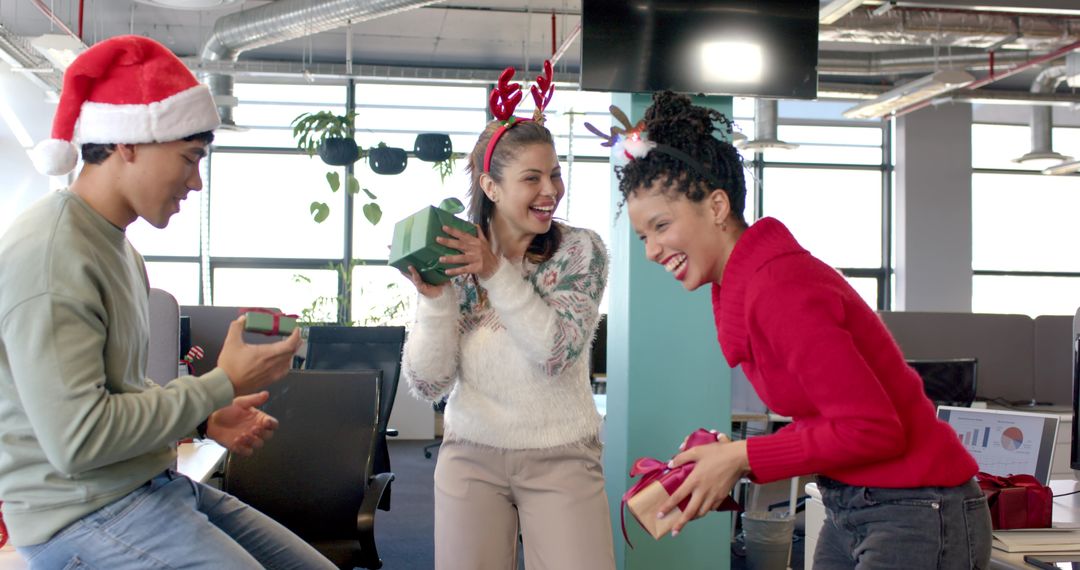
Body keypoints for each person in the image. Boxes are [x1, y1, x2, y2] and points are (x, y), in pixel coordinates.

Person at [615, 91, 992, 569]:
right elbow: (829, 417)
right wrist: (732, 455)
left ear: (715, 206)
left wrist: (745, 457)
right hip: (857, 506)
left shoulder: (778, 287)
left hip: (915, 510)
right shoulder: (747, 286)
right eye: (643, 236)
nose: (651, 250)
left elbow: (873, 429)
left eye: (660, 225)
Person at [0, 35, 335, 569]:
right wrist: (218, 383)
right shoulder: (53, 253)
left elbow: (117, 393)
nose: (196, 181)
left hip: (142, 488)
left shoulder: (115, 246)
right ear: (128, 142)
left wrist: (205, 417)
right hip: (79, 516)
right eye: (189, 158)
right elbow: (80, 440)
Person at [400, 65, 616, 570]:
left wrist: (496, 271)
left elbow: (555, 353)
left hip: (562, 454)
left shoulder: (581, 251)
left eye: (555, 174)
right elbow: (428, 383)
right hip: (470, 454)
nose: (550, 190)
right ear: (491, 188)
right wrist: (435, 301)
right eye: (532, 178)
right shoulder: (455, 254)